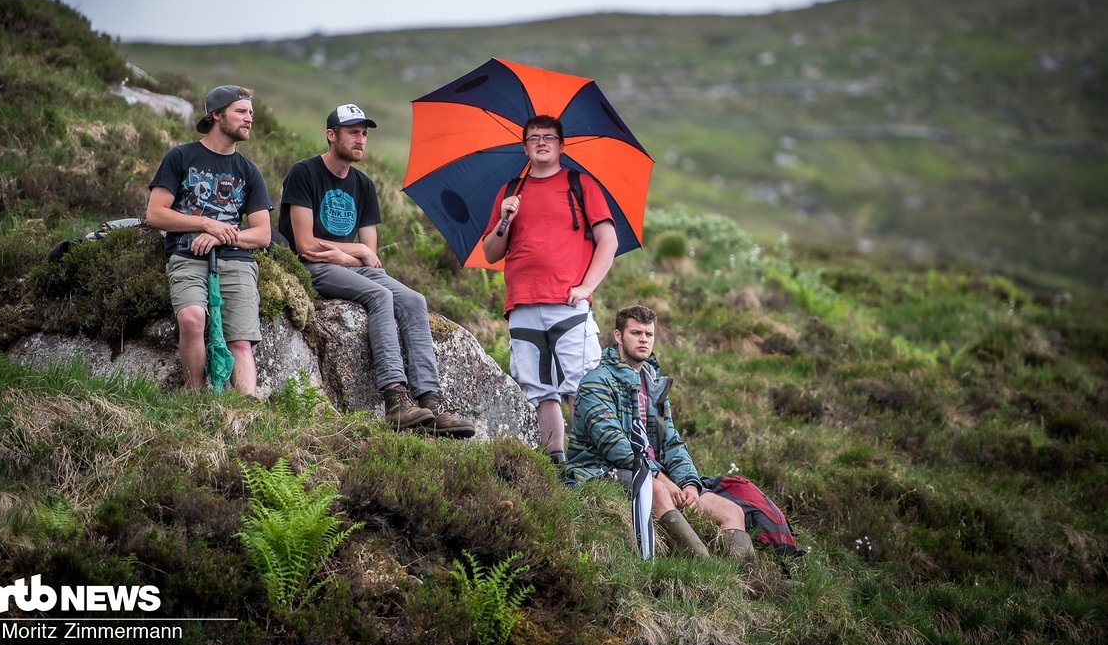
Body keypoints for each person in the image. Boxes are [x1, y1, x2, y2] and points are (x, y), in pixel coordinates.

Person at [279, 103, 475, 437]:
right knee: (380, 295)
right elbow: (306, 246)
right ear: (331, 135)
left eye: (364, 134)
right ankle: (395, 400)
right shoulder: (304, 173)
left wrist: (348, 256)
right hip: (312, 266)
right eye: (353, 132)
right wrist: (352, 251)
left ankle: (430, 402)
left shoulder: (364, 185)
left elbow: (373, 254)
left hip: (346, 266)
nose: (361, 140)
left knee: (414, 300)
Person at [566, 305, 756, 562]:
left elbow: (672, 442)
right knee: (656, 490)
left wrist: (689, 483)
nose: (644, 339)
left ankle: (744, 579)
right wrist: (661, 478)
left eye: (649, 334)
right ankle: (705, 569)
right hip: (598, 470)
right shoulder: (595, 383)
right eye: (636, 333)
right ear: (619, 336)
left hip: (657, 472)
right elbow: (613, 444)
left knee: (731, 511)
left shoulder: (653, 384)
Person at [481, 115, 618, 465]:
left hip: (567, 302)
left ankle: (590, 463)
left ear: (561, 144)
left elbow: (608, 241)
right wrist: (504, 219)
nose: (542, 142)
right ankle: (556, 465)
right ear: (524, 146)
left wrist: (587, 286)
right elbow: (491, 252)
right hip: (522, 303)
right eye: (534, 138)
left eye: (549, 137)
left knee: (581, 387)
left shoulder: (580, 183)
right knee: (539, 391)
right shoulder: (510, 192)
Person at [146, 85, 272, 396]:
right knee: (192, 318)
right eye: (241, 112)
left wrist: (219, 236)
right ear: (216, 115)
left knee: (240, 340)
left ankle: (246, 408)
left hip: (236, 261)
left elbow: (262, 233)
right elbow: (155, 215)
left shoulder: (249, 171)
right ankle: (197, 399)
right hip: (186, 256)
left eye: (251, 113)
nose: (249, 119)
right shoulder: (180, 157)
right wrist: (206, 223)